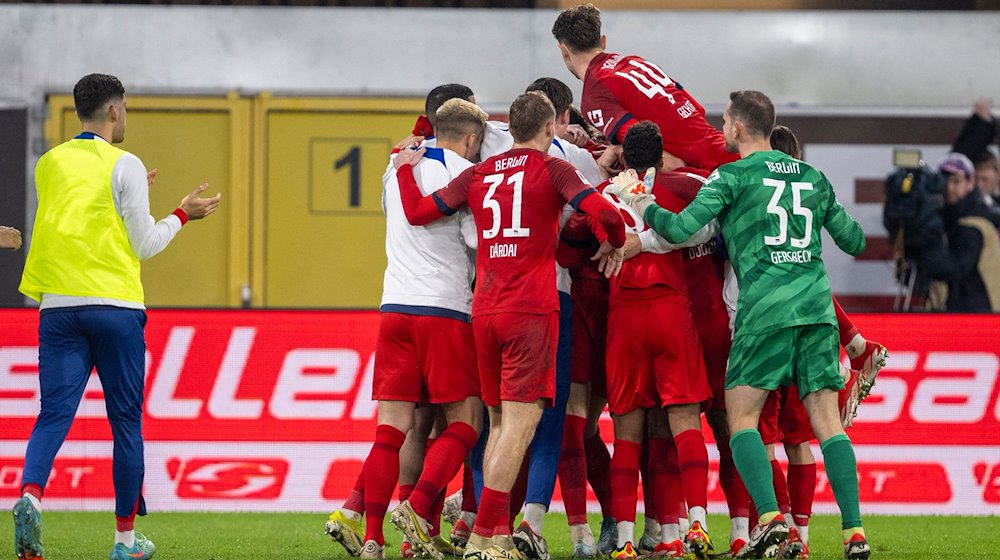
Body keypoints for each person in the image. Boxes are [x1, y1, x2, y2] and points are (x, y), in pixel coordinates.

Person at [607, 91, 871, 560]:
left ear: (738, 128)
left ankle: (768, 520)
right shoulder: (813, 176)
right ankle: (854, 533)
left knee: (741, 418)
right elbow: (853, 241)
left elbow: (681, 228)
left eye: (724, 121)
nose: (721, 128)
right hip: (815, 310)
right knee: (829, 426)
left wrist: (641, 203)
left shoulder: (729, 177)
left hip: (764, 310)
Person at [391, 91, 627, 560]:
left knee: (497, 425)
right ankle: (485, 538)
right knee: (524, 425)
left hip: (484, 309)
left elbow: (419, 212)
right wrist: (615, 242)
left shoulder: (479, 173)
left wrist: (402, 168)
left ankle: (491, 535)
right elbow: (602, 210)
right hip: (531, 309)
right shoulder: (553, 168)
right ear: (546, 130)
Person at [14, 73, 221, 560]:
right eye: (124, 107)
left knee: (52, 415)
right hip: (114, 307)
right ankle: (126, 541)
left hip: (58, 309)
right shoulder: (125, 164)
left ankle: (30, 497)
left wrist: (128, 199)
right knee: (125, 424)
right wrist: (182, 213)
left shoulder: (49, 162)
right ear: (114, 111)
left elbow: (78, 217)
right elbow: (144, 244)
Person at [599, 121, 718, 560]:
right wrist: (657, 240)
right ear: (662, 153)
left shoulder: (605, 192)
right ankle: (699, 526)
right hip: (671, 309)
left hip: (625, 316)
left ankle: (627, 540)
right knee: (686, 423)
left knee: (627, 434)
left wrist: (630, 242)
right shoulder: (685, 183)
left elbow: (590, 235)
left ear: (625, 156)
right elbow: (706, 225)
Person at [551, 3, 738, 172]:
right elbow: (697, 108)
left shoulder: (595, 94)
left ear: (564, 51)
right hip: (730, 150)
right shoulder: (635, 62)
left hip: (715, 169)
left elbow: (658, 156)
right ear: (603, 42)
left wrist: (617, 152)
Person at [920, 152, 1000, 312]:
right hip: (957, 310)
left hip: (978, 314)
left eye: (956, 181)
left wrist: (927, 239)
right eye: (945, 181)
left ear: (970, 182)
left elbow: (956, 269)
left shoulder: (975, 222)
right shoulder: (943, 218)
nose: (950, 188)